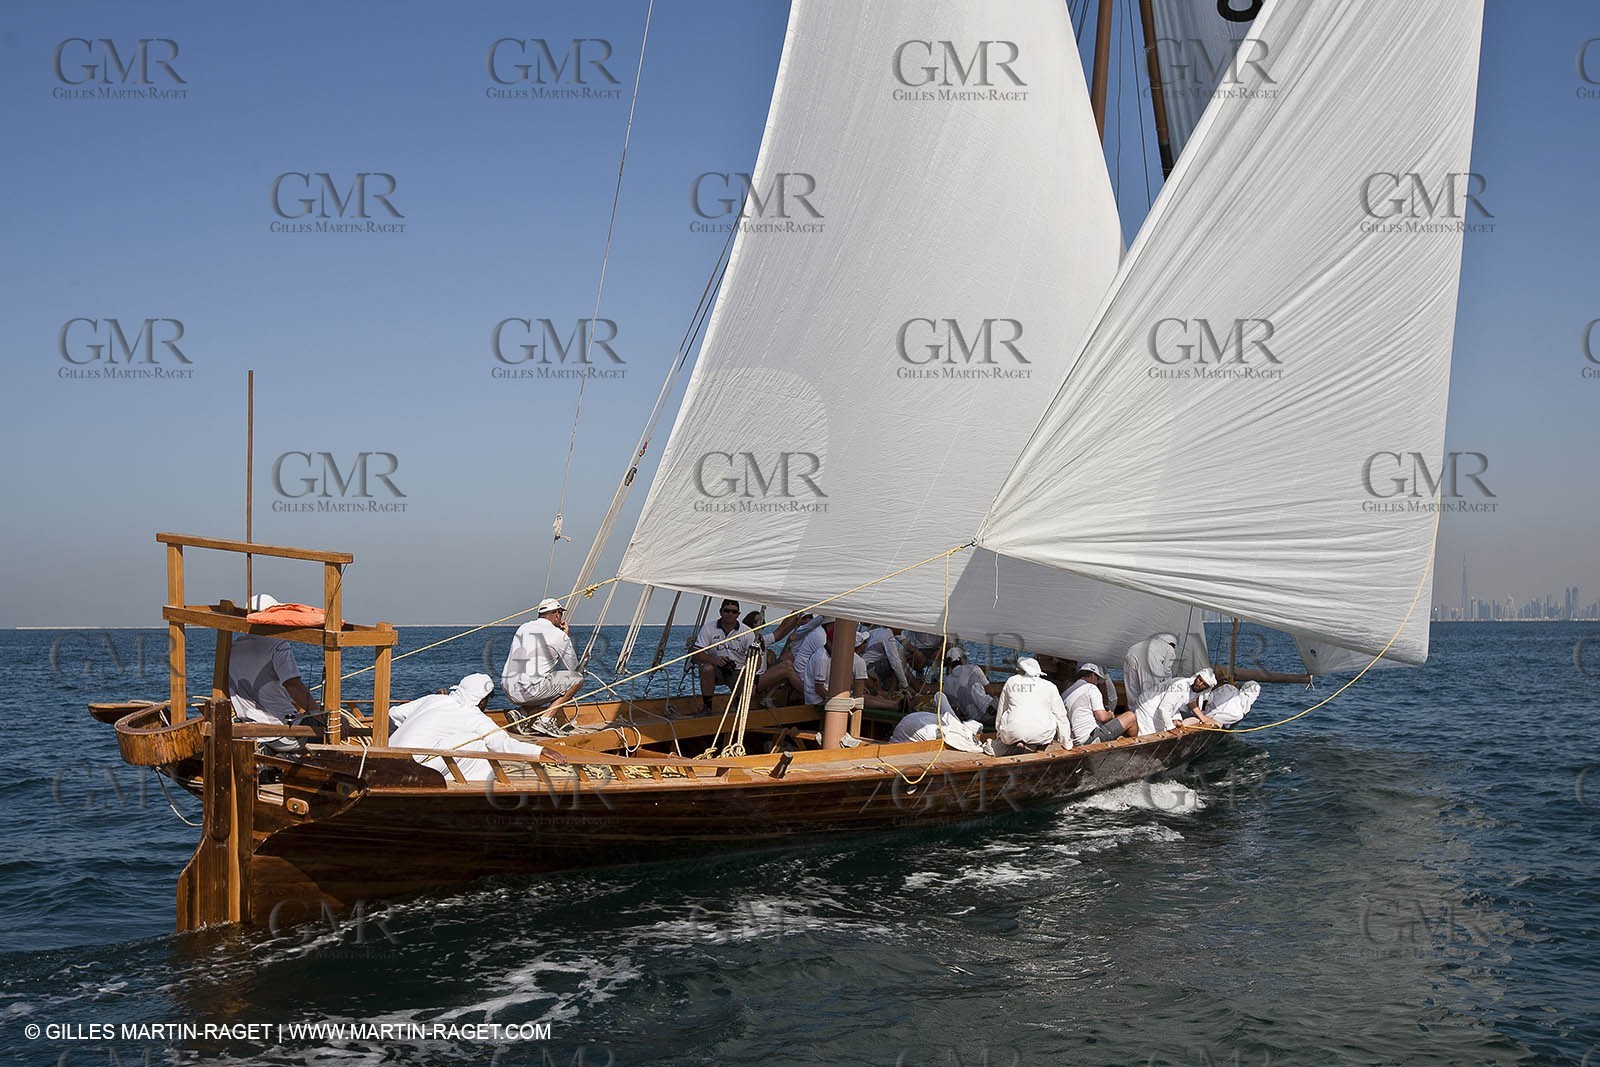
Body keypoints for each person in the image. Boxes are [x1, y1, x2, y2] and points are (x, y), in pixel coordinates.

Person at [388, 674, 569, 779]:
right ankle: (471, 791)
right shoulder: (474, 716)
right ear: (482, 700)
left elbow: (393, 714)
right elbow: (502, 744)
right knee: (481, 746)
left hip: (387, 760)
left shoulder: (435, 699)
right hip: (414, 770)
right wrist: (540, 750)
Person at [228, 593, 321, 753]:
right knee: (335, 725)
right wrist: (317, 713)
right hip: (281, 732)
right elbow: (293, 685)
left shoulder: (234, 648)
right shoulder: (278, 645)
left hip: (248, 731)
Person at [501, 598, 585, 712]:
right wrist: (565, 637)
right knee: (577, 679)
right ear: (556, 614)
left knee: (538, 679)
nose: (561, 618)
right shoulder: (559, 635)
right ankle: (545, 720)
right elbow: (573, 669)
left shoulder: (523, 628)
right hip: (529, 691)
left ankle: (523, 712)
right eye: (561, 614)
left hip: (508, 688)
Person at [991, 657, 1071, 754]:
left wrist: (999, 733)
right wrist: (1066, 742)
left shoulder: (1011, 681)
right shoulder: (1050, 686)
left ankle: (1019, 742)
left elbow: (1002, 710)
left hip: (1013, 733)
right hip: (1040, 734)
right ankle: (1038, 750)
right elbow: (1060, 716)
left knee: (1014, 723)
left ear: (1021, 670)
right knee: (1048, 722)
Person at [689, 599, 756, 713]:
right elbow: (695, 653)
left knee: (750, 683)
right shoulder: (709, 628)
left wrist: (750, 672)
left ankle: (738, 702)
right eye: (727, 611)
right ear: (720, 612)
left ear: (738, 614)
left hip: (737, 670)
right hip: (716, 669)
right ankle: (707, 706)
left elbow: (755, 657)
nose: (730, 614)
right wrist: (713, 660)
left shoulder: (747, 632)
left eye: (734, 612)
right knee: (706, 668)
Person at [1061, 663, 1135, 746]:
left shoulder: (1066, 693)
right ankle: (1140, 748)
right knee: (1130, 716)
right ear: (1093, 675)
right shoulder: (1091, 688)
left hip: (1075, 741)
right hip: (1090, 738)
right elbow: (1102, 717)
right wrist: (1110, 715)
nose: (1097, 683)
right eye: (1097, 679)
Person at [1132, 667, 1220, 735]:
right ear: (1197, 677)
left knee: (1166, 727)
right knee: (1149, 734)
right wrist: (1172, 729)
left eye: (1204, 684)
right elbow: (1163, 709)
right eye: (1200, 680)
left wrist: (1204, 718)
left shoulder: (1196, 689)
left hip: (1163, 706)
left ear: (1206, 688)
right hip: (1148, 706)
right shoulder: (1180, 686)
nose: (1200, 684)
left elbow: (1191, 701)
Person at [889, 694, 985, 753]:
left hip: (912, 723)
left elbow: (939, 695)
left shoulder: (951, 719)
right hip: (910, 733)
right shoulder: (937, 730)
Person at [942, 646, 999, 723]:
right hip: (990, 712)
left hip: (972, 719)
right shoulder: (974, 669)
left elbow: (952, 704)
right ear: (961, 659)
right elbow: (990, 692)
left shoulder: (947, 682)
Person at [1123, 633, 1181, 707]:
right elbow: (1167, 670)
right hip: (1149, 657)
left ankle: (1133, 712)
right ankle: (1148, 713)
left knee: (1132, 688)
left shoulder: (1150, 642)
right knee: (1151, 692)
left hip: (1131, 651)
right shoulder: (1170, 649)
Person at [862, 625, 912, 693]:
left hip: (866, 665)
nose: (903, 629)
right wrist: (905, 685)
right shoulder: (888, 634)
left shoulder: (878, 631)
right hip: (870, 667)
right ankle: (893, 691)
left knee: (899, 663)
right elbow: (895, 662)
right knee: (898, 662)